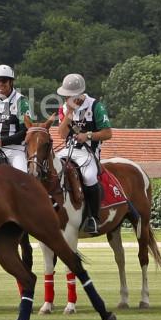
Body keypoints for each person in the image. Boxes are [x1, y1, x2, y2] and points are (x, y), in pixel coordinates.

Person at [54, 73, 113, 235]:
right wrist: (69, 113)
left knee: (89, 176)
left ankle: (93, 218)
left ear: (79, 94)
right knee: (53, 169)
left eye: (69, 96)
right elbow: (62, 134)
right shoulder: (64, 108)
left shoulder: (96, 106)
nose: (67, 98)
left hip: (89, 152)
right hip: (68, 150)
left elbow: (108, 133)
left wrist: (88, 135)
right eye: (65, 96)